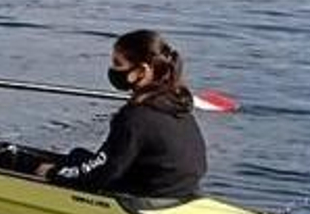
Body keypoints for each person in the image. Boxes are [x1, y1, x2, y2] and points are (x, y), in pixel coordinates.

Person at [37, 29, 207, 201]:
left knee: (69, 164)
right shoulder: (177, 104)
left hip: (147, 198)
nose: (112, 70)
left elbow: (103, 172)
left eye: (118, 64)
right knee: (77, 155)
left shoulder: (135, 118)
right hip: (181, 190)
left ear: (141, 70)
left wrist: (53, 173)